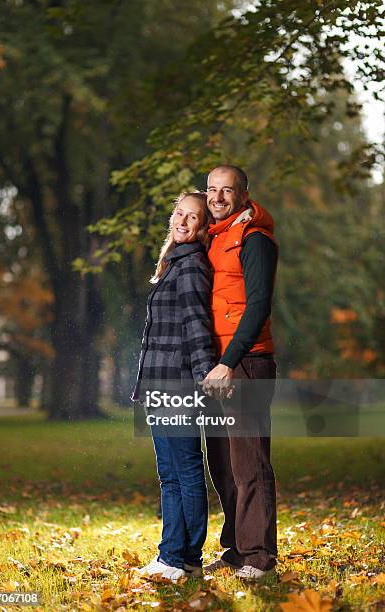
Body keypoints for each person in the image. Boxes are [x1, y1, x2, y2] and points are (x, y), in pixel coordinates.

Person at [132, 192, 216, 582]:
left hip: (178, 381)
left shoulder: (192, 265)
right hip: (157, 383)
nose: (183, 222)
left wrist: (204, 378)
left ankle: (186, 559)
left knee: (185, 471)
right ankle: (172, 555)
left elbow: (197, 328)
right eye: (179, 214)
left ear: (204, 226)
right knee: (169, 475)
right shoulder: (173, 263)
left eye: (193, 217)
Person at [201, 165, 278, 581]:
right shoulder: (214, 238)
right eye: (212, 189)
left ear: (244, 194)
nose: (217, 197)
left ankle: (259, 556)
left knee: (249, 463)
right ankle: (235, 549)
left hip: (244, 364)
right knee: (224, 465)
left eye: (227, 190)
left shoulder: (255, 239)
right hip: (215, 367)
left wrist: (229, 362)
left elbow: (258, 305)